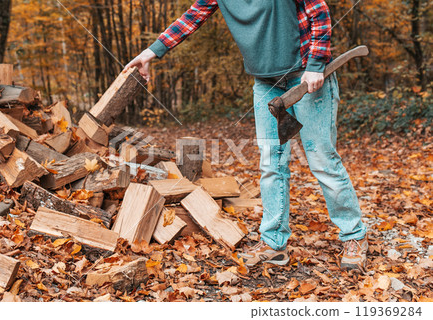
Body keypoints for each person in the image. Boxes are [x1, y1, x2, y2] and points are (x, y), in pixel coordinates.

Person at [124, 0, 368, 270]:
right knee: (271, 164)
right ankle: (274, 244)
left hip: (305, 75)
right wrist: (151, 52)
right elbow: (193, 17)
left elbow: (319, 12)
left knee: (322, 160)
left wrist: (316, 63)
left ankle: (354, 236)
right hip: (266, 83)